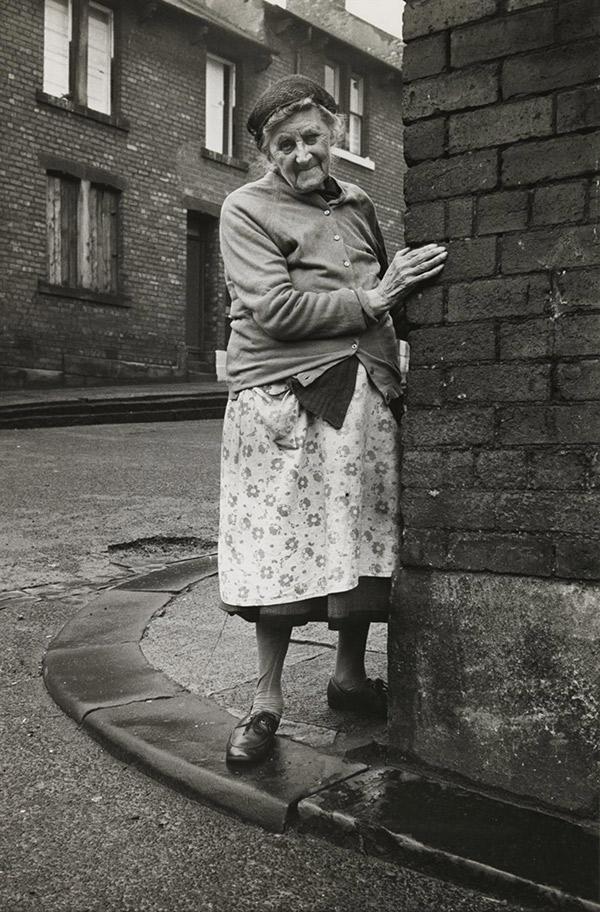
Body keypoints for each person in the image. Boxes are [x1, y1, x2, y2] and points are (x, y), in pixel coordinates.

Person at [218, 75, 447, 763]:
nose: (300, 153)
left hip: (365, 391)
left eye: (311, 136)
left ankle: (349, 676)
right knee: (280, 546)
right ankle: (265, 703)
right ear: (265, 150)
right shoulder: (243, 209)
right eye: (283, 144)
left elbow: (385, 293)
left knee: (357, 537)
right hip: (283, 400)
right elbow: (277, 310)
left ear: (334, 134)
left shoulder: (357, 204)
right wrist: (378, 297)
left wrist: (418, 284)